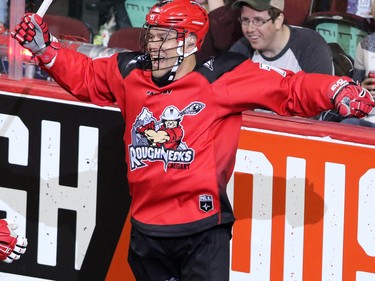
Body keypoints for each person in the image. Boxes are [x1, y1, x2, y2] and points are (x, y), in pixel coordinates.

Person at [11, 0, 375, 280]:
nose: (153, 44)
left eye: (163, 36)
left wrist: (334, 88)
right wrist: (47, 51)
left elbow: (287, 87)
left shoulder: (221, 77)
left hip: (202, 232)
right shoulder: (129, 71)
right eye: (150, 34)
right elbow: (86, 74)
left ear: (189, 42)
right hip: (146, 230)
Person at [344, 0, 375, 127]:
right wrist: (362, 89)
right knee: (347, 124)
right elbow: (355, 89)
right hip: (369, 118)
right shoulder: (366, 44)